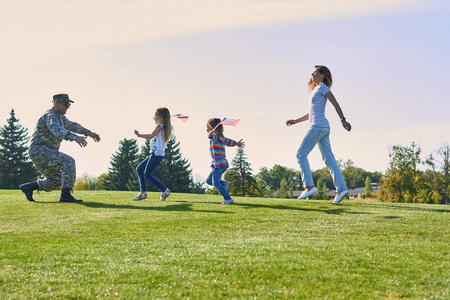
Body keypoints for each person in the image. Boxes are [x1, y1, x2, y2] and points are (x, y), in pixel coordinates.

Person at [286, 65, 352, 204]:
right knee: (329, 159)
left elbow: (335, 103)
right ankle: (341, 188)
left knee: (301, 154)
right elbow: (311, 113)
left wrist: (343, 120)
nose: (312, 74)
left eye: (315, 72)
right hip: (322, 127)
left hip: (318, 126)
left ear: (322, 75)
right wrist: (295, 121)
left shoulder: (322, 87)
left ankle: (309, 186)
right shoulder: (316, 90)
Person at [19, 94, 101, 203]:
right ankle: (66, 196)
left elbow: (72, 125)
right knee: (68, 161)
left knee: (57, 180)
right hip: (39, 150)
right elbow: (58, 132)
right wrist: (75, 137)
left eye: (69, 105)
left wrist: (89, 133)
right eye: (66, 104)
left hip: (43, 152)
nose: (67, 107)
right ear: (56, 103)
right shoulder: (50, 116)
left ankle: (29, 187)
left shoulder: (60, 117)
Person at [133, 107, 172, 201]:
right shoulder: (165, 128)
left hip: (156, 154)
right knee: (139, 169)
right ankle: (143, 192)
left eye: (156, 115)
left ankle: (164, 190)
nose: (154, 118)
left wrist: (139, 135)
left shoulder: (159, 127)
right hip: (157, 154)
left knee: (147, 174)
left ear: (161, 117)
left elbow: (151, 136)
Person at [206, 118, 245, 205]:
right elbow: (229, 142)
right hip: (222, 164)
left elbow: (211, 137)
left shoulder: (215, 136)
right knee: (209, 181)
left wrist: (210, 135)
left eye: (207, 127)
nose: (206, 129)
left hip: (218, 163)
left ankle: (228, 199)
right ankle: (225, 184)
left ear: (213, 128)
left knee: (215, 183)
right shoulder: (222, 138)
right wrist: (236, 143)